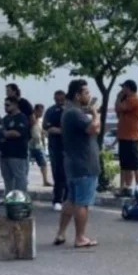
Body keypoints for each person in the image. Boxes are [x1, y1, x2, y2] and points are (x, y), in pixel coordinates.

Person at [54, 79, 101, 248]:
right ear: (77, 95)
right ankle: (80, 237)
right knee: (82, 203)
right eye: (86, 93)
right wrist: (95, 114)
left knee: (71, 201)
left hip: (74, 163)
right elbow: (93, 129)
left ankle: (61, 233)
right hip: (84, 164)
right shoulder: (74, 113)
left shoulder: (70, 111)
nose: (89, 96)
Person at [115, 79, 138, 197]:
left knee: (135, 164)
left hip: (132, 137)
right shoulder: (126, 100)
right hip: (123, 136)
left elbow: (120, 108)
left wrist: (118, 98)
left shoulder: (134, 100)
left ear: (129, 88)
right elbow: (118, 111)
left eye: (124, 88)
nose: (122, 90)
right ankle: (125, 187)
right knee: (124, 164)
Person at [0, 96, 30, 193]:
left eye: (8, 105)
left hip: (17, 154)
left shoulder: (22, 118)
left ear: (15, 105)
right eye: (4, 105)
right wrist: (4, 133)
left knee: (19, 178)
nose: (5, 107)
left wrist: (3, 133)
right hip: (4, 154)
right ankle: (9, 199)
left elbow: (17, 133)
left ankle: (21, 200)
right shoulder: (5, 119)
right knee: (7, 179)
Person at [43, 90, 67, 211]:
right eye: (57, 100)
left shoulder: (70, 110)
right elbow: (48, 128)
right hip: (56, 147)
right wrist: (63, 130)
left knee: (69, 175)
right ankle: (57, 199)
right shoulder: (51, 111)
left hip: (69, 148)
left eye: (62, 100)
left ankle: (68, 200)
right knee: (58, 175)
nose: (59, 102)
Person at [29, 104, 51, 187]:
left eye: (42, 112)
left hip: (39, 145)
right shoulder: (30, 119)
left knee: (43, 163)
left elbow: (43, 132)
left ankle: (45, 181)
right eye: (39, 111)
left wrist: (44, 143)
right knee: (26, 164)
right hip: (30, 144)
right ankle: (25, 180)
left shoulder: (41, 121)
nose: (41, 113)